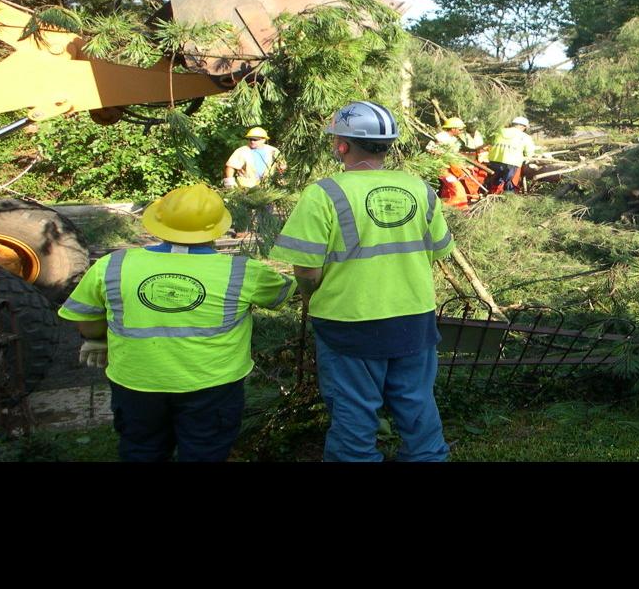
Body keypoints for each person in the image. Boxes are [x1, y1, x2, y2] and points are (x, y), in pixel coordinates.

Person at [269, 100, 454, 462]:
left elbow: (306, 270)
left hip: (348, 321)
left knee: (354, 410)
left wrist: (310, 296)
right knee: (417, 404)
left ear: (342, 145)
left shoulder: (324, 193)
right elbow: (437, 250)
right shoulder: (419, 189)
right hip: (414, 316)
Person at [58, 183, 297, 462]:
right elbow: (285, 292)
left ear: (159, 223)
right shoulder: (242, 272)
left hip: (136, 382)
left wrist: (97, 339)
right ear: (217, 228)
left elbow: (86, 322)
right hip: (212, 386)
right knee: (204, 453)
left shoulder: (113, 264)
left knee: (142, 450)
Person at [485, 116, 535, 193]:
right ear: (523, 126)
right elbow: (529, 153)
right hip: (512, 163)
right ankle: (508, 200)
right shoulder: (525, 136)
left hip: (494, 160)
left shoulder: (498, 132)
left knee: (494, 181)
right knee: (510, 183)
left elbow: (488, 143)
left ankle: (491, 196)